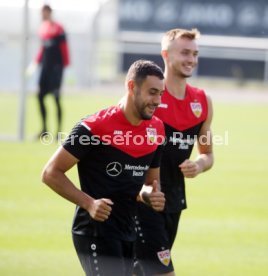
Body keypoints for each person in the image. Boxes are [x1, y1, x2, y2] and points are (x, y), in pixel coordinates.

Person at [41, 60, 166, 276]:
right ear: (131, 87)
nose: (158, 101)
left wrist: (150, 196)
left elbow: (148, 184)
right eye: (152, 92)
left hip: (128, 230)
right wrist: (88, 203)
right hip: (95, 232)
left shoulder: (156, 128)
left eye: (161, 94)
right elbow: (50, 172)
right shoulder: (94, 127)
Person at [133, 29, 214, 276]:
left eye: (195, 53)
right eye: (185, 53)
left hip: (174, 202)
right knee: (163, 271)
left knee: (139, 271)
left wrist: (199, 165)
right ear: (166, 55)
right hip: (143, 201)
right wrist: (139, 191)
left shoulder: (202, 101)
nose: (191, 59)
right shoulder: (146, 97)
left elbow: (208, 153)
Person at [27, 4, 70, 138]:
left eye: (44, 12)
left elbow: (64, 48)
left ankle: (58, 131)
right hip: (45, 69)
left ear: (49, 12)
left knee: (56, 98)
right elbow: (42, 49)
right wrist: (35, 63)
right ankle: (44, 130)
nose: (42, 15)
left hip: (56, 69)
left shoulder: (58, 28)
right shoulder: (43, 28)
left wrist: (66, 66)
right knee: (40, 96)